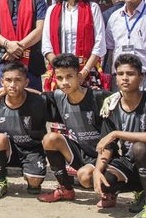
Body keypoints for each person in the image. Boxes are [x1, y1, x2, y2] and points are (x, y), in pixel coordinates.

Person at [79, 54, 146, 218]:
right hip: (130, 161)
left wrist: (117, 133)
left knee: (140, 147)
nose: (125, 78)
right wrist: (98, 170)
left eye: (130, 74)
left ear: (141, 77)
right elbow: (107, 145)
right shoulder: (112, 104)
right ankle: (140, 189)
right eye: (120, 73)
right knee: (98, 180)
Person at [32, 53, 111, 203]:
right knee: (50, 138)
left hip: (104, 155)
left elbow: (125, 98)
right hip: (80, 154)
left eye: (69, 77)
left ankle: (110, 192)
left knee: (84, 177)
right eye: (60, 78)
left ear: (79, 75)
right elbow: (32, 96)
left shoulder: (99, 97)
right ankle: (65, 189)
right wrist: (4, 89)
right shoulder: (57, 97)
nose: (64, 82)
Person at [0, 61, 51, 199]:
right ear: (1, 81)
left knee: (35, 183)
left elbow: (49, 96)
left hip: (32, 149)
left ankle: (29, 172)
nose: (12, 85)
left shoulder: (39, 101)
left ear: (26, 82)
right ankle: (1, 181)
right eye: (8, 80)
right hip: (8, 148)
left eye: (18, 80)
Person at [41, 0, 106, 91]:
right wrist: (61, 71)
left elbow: (100, 43)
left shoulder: (93, 8)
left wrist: (83, 72)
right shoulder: (52, 10)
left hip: (86, 74)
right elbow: (46, 45)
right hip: (59, 76)